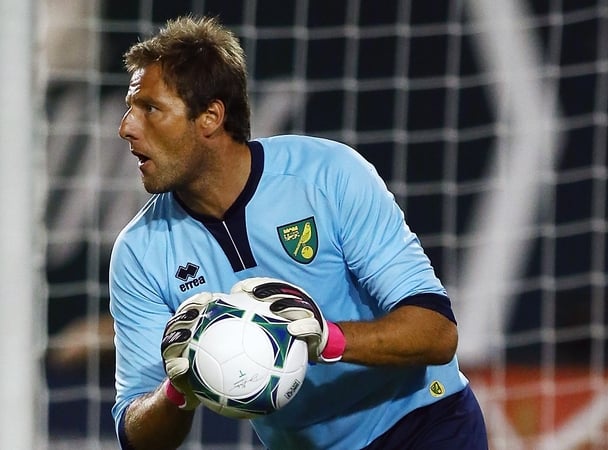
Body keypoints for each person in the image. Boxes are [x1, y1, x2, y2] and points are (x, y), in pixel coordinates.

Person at [110, 15, 488, 450]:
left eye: (150, 109)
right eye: (129, 108)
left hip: (424, 423)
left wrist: (327, 339)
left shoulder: (327, 176)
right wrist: (178, 388)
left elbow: (437, 333)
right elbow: (135, 436)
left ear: (210, 117)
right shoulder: (139, 252)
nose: (126, 127)